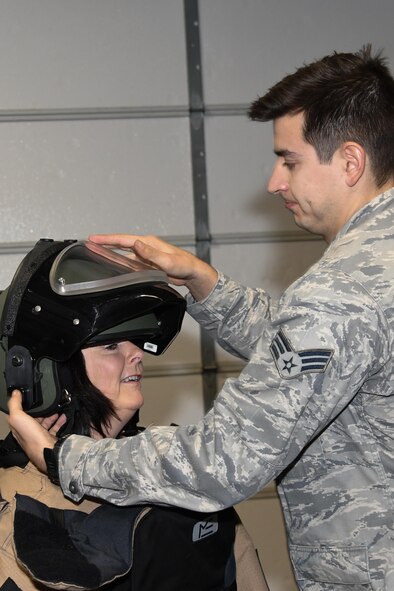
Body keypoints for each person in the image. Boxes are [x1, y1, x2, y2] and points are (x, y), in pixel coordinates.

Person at [8, 44, 394, 590]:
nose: (273, 182)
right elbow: (328, 354)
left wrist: (68, 460)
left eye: (289, 160)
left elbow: (223, 460)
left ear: (351, 162)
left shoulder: (344, 288)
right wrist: (202, 285)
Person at [0, 238, 267, 591]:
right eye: (111, 345)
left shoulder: (178, 476)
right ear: (43, 372)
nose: (138, 354)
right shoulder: (19, 512)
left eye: (137, 341)